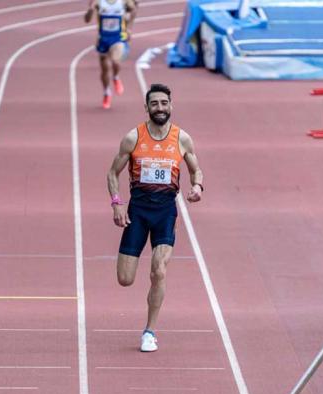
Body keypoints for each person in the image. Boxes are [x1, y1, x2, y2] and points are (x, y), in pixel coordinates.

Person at [106, 83, 204, 352]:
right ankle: (148, 325)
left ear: (171, 106)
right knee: (125, 279)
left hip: (165, 212)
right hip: (138, 211)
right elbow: (113, 172)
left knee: (158, 271)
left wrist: (197, 187)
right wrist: (116, 203)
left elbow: (196, 170)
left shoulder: (182, 139)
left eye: (164, 103)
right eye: (154, 104)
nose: (159, 108)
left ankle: (149, 331)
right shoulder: (133, 138)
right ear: (147, 108)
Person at [85, 0, 137, 109]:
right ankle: (106, 93)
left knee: (115, 61)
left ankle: (116, 77)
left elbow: (133, 10)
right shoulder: (98, 2)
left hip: (118, 37)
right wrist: (90, 10)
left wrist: (129, 28)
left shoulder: (123, 2)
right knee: (104, 69)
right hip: (103, 38)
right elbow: (87, 20)